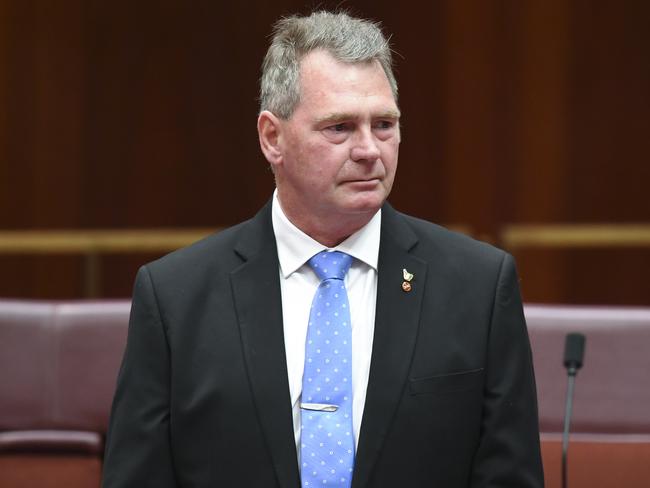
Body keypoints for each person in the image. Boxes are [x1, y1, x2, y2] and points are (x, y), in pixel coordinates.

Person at [102, 10, 544, 488]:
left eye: (384, 124)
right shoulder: (175, 296)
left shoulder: (478, 286)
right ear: (273, 137)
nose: (369, 149)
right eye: (339, 128)